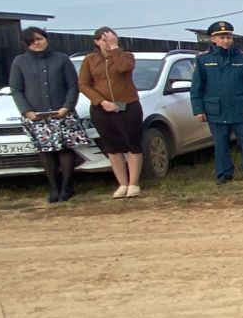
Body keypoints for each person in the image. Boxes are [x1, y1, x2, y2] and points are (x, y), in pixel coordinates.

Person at [10, 27, 85, 204]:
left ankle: (67, 186)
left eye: (39, 39)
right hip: (36, 115)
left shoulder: (62, 59)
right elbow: (16, 88)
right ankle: (54, 187)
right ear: (26, 44)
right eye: (31, 41)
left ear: (46, 39)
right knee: (46, 152)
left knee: (65, 149)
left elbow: (73, 85)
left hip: (62, 113)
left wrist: (67, 107)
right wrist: (26, 110)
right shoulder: (19, 62)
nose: (36, 43)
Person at [191, 20, 243, 184]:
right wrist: (198, 109)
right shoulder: (203, 60)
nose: (226, 40)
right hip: (216, 109)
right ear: (213, 39)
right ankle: (224, 175)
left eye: (229, 37)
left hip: (241, 108)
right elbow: (197, 88)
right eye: (222, 37)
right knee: (220, 144)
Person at [78, 27, 144, 197]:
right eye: (103, 40)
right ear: (96, 42)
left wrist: (115, 49)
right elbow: (84, 84)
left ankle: (133, 183)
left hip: (128, 106)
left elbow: (124, 68)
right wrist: (102, 101)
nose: (107, 43)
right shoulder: (90, 59)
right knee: (113, 147)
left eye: (111, 39)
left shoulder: (126, 55)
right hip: (102, 109)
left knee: (132, 144)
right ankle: (122, 184)